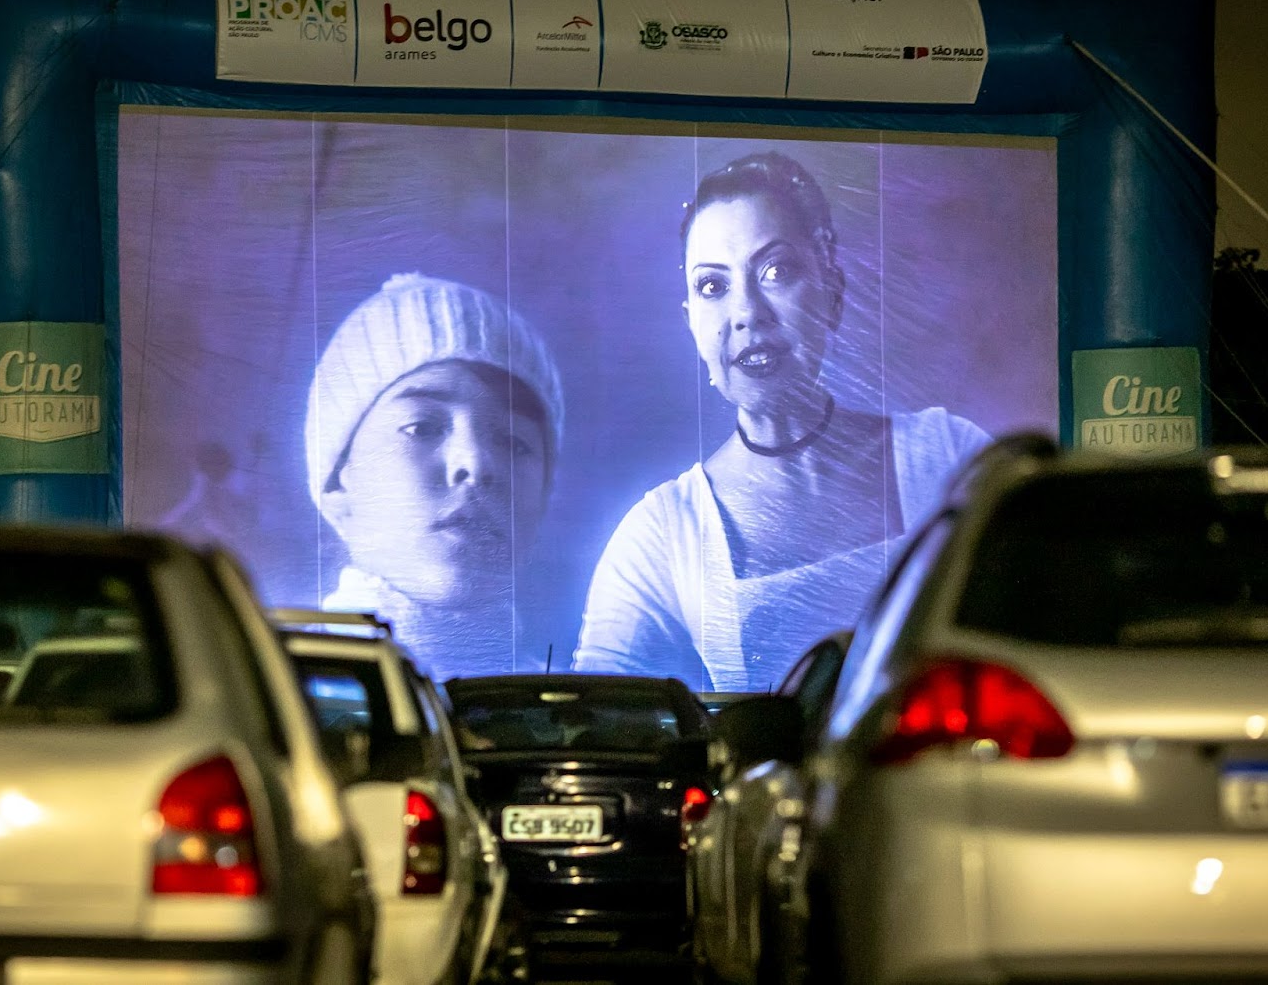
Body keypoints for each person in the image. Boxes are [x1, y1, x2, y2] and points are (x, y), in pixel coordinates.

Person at [573, 152, 990, 692]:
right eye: (712, 287)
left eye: (776, 271)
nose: (747, 312)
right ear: (693, 326)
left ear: (833, 294)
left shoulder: (948, 458)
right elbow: (594, 717)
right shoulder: (667, 532)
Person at [305, 273, 564, 679]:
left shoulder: (579, 718)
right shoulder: (260, 697)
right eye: (422, 428)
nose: (476, 465)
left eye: (515, 443)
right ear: (338, 482)